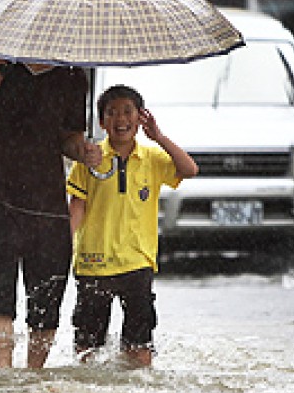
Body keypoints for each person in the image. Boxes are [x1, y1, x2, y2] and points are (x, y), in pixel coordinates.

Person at [0, 55, 102, 369]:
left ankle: (34, 377)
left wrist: (82, 151)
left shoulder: (73, 76)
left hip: (47, 201)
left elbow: (68, 139)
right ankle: (2, 376)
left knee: (47, 294)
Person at [66, 84, 198, 367]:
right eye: (111, 113)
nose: (120, 119)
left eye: (128, 112)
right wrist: (62, 246)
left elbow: (189, 169)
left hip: (137, 263)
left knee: (139, 348)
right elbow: (77, 206)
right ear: (101, 122)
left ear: (140, 118)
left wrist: (159, 137)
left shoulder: (151, 158)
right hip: (93, 263)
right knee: (87, 348)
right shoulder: (89, 160)